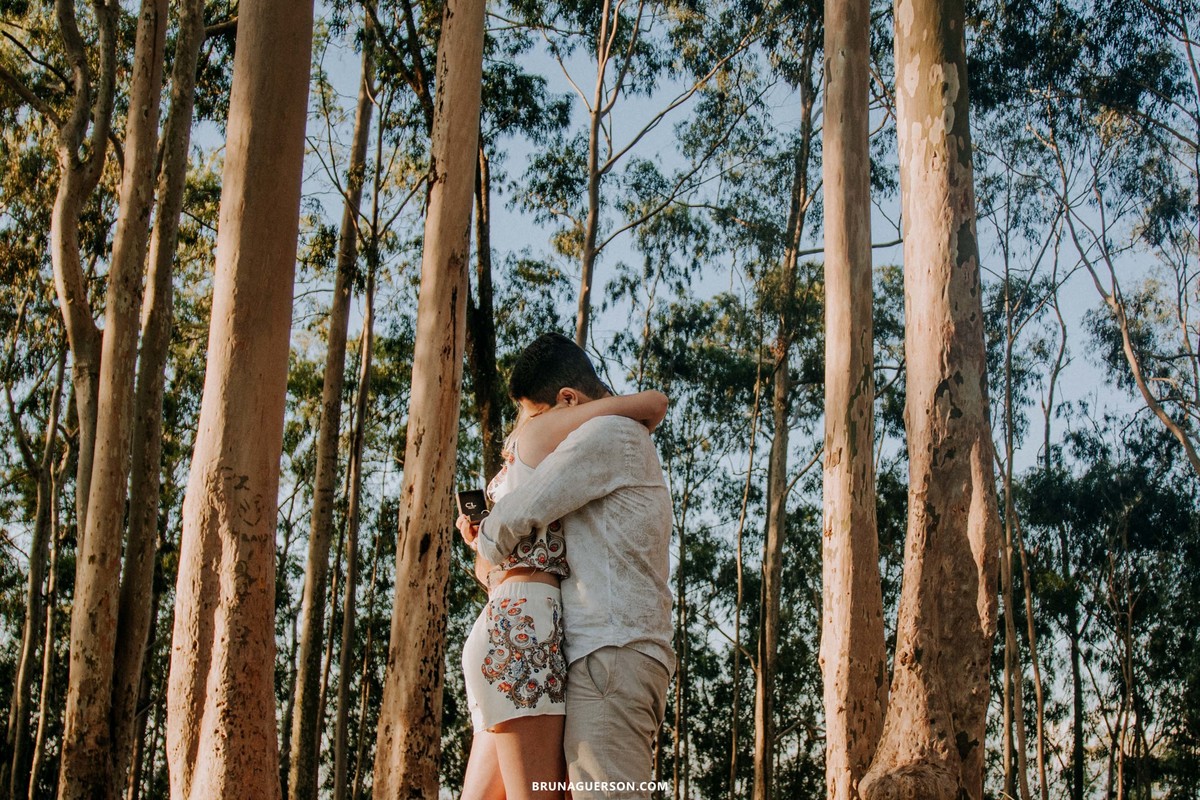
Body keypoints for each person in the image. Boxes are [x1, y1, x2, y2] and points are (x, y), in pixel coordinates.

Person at [464, 332, 676, 800]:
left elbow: (519, 514)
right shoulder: (620, 434)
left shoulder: (606, 433)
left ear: (567, 399)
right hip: (608, 648)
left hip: (611, 650)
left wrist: (486, 543)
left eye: (541, 417)